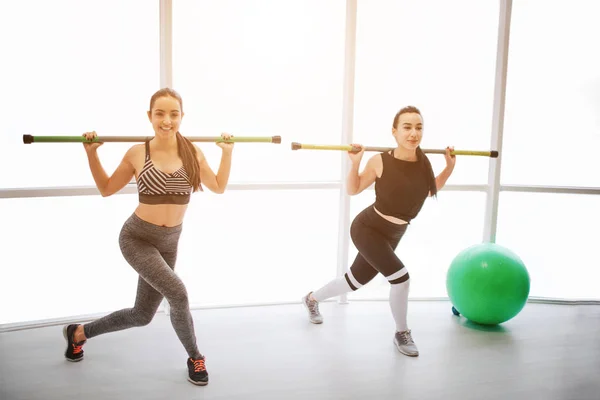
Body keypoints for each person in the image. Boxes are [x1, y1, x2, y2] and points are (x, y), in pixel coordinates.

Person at [62, 88, 233, 386]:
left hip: (169, 242)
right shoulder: (138, 153)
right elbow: (106, 188)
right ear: (149, 116)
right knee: (178, 293)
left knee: (142, 315)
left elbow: (217, 185)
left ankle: (79, 333)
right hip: (137, 238)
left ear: (182, 116)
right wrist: (91, 153)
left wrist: (227, 153)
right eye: (160, 113)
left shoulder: (192, 151)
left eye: (174, 114)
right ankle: (195, 357)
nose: (167, 120)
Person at [302, 106, 456, 357]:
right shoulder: (380, 161)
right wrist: (355, 163)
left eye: (418, 127)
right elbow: (354, 189)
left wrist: (448, 167)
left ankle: (312, 299)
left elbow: (429, 190)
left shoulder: (424, 161)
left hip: (394, 234)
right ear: (394, 132)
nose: (413, 133)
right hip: (368, 228)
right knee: (401, 279)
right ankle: (401, 333)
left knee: (354, 281)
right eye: (407, 127)